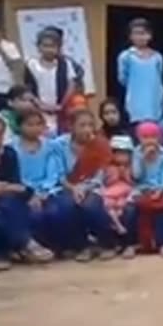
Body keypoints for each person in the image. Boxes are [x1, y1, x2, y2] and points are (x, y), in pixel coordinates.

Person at [0, 116, 50, 273]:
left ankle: (7, 252)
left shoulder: (9, 154)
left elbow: (17, 185)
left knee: (9, 204)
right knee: (0, 213)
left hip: (2, 201)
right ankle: (23, 245)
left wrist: (0, 188)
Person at [49, 109, 113, 262]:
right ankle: (82, 246)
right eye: (82, 125)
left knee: (91, 205)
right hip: (66, 186)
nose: (87, 129)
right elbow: (58, 174)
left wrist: (85, 188)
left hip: (92, 186)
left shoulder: (100, 144)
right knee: (66, 205)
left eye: (91, 125)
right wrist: (73, 188)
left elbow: (100, 174)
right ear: (71, 126)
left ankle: (106, 243)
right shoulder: (58, 145)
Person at [11, 110, 58, 262]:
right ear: (19, 126)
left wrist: (44, 191)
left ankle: (55, 247)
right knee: (32, 213)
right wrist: (30, 193)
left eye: (39, 124)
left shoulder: (50, 146)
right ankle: (25, 249)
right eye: (29, 124)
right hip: (22, 191)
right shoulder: (11, 147)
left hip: (47, 190)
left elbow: (53, 172)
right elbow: (14, 175)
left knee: (55, 211)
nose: (35, 128)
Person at [24, 26, 84, 135]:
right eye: (45, 46)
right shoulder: (31, 64)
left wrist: (61, 105)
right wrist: (41, 105)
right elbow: (27, 88)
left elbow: (71, 84)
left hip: (60, 109)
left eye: (52, 46)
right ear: (38, 47)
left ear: (58, 48)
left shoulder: (65, 64)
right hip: (38, 109)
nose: (49, 49)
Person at [131, 121, 163, 257]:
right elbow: (136, 176)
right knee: (131, 208)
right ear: (139, 138)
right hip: (141, 189)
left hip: (161, 189)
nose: (150, 141)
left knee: (160, 208)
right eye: (145, 137)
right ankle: (137, 244)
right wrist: (143, 160)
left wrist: (160, 190)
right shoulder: (136, 152)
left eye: (153, 137)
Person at [116, 18, 163, 126]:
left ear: (150, 35)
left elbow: (159, 77)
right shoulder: (126, 56)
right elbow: (122, 79)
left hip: (154, 103)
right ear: (130, 36)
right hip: (135, 102)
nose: (140, 37)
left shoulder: (157, 57)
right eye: (136, 34)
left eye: (143, 33)